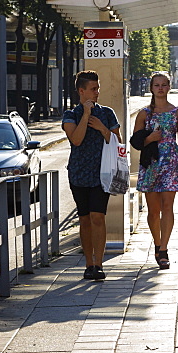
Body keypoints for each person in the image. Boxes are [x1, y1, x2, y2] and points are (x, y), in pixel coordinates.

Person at [62, 71, 121, 282]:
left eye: (98, 88)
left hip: (102, 174)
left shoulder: (107, 113)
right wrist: (86, 116)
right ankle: (88, 263)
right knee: (85, 219)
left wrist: (102, 128)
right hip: (78, 174)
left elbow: (117, 141)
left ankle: (99, 264)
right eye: (93, 89)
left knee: (98, 216)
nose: (97, 92)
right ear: (81, 91)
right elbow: (76, 140)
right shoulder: (71, 115)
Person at [133, 72, 178, 269]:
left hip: (171, 162)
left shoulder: (177, 113)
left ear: (169, 87)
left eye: (164, 85)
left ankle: (164, 249)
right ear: (151, 88)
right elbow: (136, 141)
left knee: (168, 207)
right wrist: (150, 138)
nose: (160, 88)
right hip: (151, 162)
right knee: (153, 210)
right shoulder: (144, 113)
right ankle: (157, 244)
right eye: (156, 85)